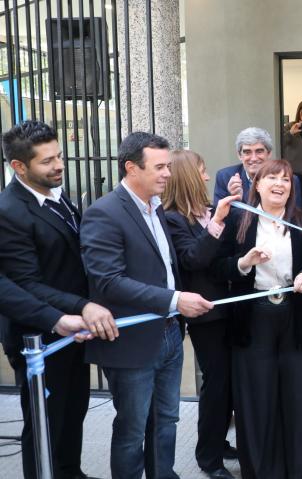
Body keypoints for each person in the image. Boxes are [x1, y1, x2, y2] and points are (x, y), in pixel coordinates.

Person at [80, 132, 214, 479]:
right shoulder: (104, 213)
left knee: (166, 419)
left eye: (168, 166)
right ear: (131, 168)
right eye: (159, 167)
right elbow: (109, 281)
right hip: (131, 340)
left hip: (169, 333)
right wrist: (174, 299)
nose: (168, 173)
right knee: (132, 429)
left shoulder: (157, 209)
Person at [0, 119, 116, 479]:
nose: (59, 166)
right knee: (45, 422)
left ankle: (70, 471)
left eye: (59, 156)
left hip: (74, 328)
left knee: (74, 409)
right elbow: (26, 284)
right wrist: (82, 306)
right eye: (47, 161)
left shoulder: (55, 195)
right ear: (19, 166)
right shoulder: (10, 211)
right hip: (40, 333)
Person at [213, 159, 302, 478]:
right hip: (253, 318)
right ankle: (262, 471)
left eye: (286, 179)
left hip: (296, 315)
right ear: (257, 185)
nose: (280, 184)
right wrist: (244, 263)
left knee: (299, 397)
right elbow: (218, 267)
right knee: (256, 397)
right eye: (272, 178)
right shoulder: (239, 221)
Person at [162, 150, 241, 479]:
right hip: (205, 314)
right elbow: (193, 260)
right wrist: (217, 223)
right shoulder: (173, 219)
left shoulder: (207, 210)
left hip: (230, 305)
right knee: (217, 383)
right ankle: (209, 457)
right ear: (189, 177)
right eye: (203, 171)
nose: (208, 177)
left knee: (230, 383)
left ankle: (219, 441)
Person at [213, 126, 301, 207]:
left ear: (269, 153)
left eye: (259, 151)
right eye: (247, 152)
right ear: (239, 155)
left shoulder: (288, 181)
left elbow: (295, 216)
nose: (254, 158)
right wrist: (233, 198)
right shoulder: (225, 177)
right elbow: (218, 216)